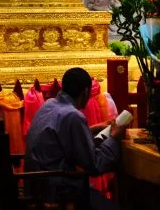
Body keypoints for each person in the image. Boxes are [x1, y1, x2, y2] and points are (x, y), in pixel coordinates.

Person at [25, 67, 126, 210]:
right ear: (85, 92)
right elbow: (94, 165)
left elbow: (60, 135)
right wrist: (114, 136)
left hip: (37, 184)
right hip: (57, 189)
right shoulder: (73, 116)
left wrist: (94, 128)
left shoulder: (49, 104)